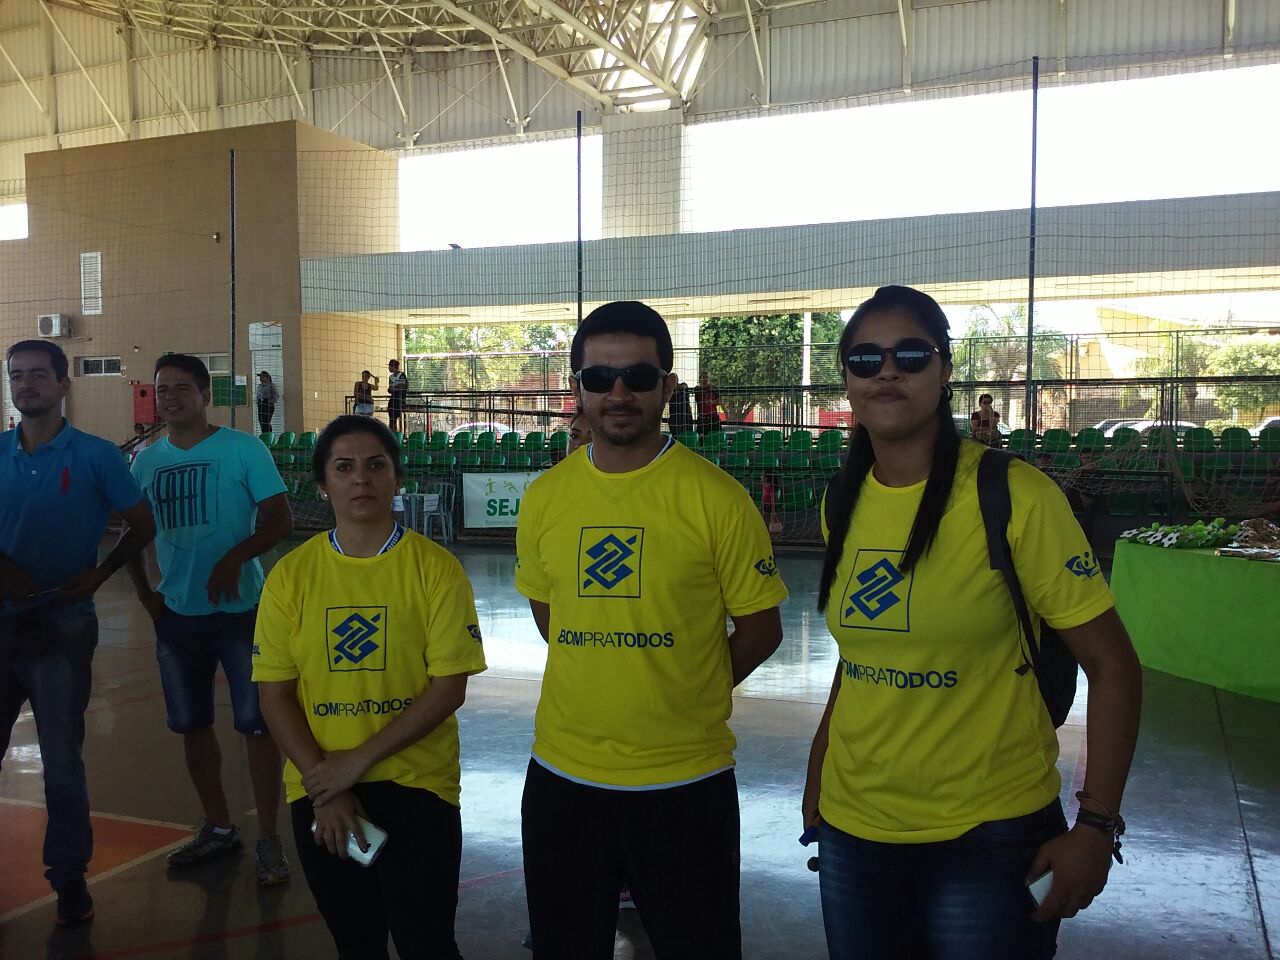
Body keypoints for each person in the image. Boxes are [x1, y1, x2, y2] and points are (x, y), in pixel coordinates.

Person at [803, 286, 1142, 959]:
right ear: (846, 377)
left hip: (990, 835)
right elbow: (862, 654)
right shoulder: (841, 501)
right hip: (855, 832)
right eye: (865, 359)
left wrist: (1096, 824)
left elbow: (1113, 666)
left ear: (945, 369)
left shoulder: (1015, 496)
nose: (887, 372)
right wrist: (819, 771)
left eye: (910, 354)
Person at [515, 301, 788, 959]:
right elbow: (552, 618)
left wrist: (685, 687)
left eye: (638, 377)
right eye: (599, 377)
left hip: (685, 787)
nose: (618, 393)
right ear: (577, 388)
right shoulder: (546, 498)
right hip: (562, 782)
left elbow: (761, 630)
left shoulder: (718, 499)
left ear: (668, 387)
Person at [254, 415, 487, 960]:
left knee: (427, 942)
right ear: (322, 485)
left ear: (397, 478)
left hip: (417, 784)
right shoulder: (290, 576)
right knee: (355, 943)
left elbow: (448, 687)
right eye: (344, 467)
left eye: (375, 465)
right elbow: (275, 694)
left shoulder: (436, 570)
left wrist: (355, 764)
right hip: (319, 787)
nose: (361, 478)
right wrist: (327, 787)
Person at [1, 340, 155, 927]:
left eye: (38, 374)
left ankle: (68, 878)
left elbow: (141, 525)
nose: (26, 384)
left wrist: (99, 575)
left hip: (62, 625)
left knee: (62, 760)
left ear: (64, 385)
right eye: (17, 375)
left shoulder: (96, 456)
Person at [128, 354, 295, 886]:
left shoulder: (244, 449)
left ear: (205, 395)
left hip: (242, 614)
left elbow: (280, 520)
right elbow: (134, 535)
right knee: (192, 724)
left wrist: (233, 559)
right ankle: (219, 827)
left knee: (257, 725)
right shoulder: (146, 463)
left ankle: (268, 836)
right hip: (177, 618)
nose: (170, 397)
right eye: (162, 389)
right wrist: (147, 596)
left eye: (182, 388)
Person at [386, 359, 408, 433]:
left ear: (393, 366)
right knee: (392, 418)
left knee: (397, 417)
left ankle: (398, 432)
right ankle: (393, 431)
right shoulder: (391, 377)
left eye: (389, 366)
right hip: (393, 398)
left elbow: (402, 386)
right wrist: (393, 388)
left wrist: (394, 388)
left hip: (400, 398)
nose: (388, 368)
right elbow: (390, 389)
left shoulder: (402, 375)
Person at [256, 371, 279, 436]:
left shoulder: (271, 385)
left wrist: (269, 402)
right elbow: (258, 395)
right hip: (260, 405)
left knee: (266, 422)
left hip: (268, 405)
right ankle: (264, 435)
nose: (260, 378)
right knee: (261, 421)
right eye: (260, 377)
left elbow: (276, 396)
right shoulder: (259, 386)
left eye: (262, 377)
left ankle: (269, 436)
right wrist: (258, 402)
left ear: (267, 378)